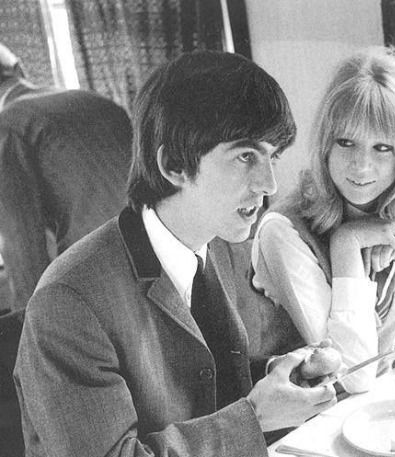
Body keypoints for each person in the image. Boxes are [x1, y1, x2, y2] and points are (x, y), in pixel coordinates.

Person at [14, 50, 338, 457]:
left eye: (272, 156)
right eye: (244, 156)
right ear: (173, 165)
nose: (269, 183)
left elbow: (200, 380)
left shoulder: (217, 244)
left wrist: (281, 376)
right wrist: (255, 417)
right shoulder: (68, 303)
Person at [251, 46, 395, 394]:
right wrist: (347, 243)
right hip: (297, 429)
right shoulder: (283, 231)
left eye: (382, 148)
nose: (361, 166)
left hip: (373, 412)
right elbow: (352, 374)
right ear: (325, 146)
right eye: (346, 142)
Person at [0, 43, 132, 313]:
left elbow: (23, 249)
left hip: (95, 289)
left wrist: (29, 330)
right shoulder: (91, 98)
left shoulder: (7, 126)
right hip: (160, 267)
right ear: (18, 68)